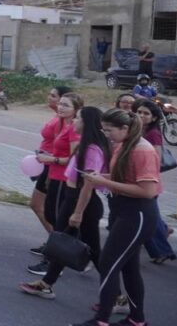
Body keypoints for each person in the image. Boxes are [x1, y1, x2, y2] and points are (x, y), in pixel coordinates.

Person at [71, 109, 161, 326]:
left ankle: (101, 319)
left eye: (110, 130)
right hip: (124, 210)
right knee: (128, 267)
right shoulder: (124, 145)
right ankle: (137, 320)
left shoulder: (142, 150)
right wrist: (99, 177)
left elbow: (148, 190)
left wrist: (105, 182)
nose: (107, 134)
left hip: (138, 213)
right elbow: (124, 177)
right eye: (104, 130)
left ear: (125, 129)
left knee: (108, 262)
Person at [20, 106, 110, 300]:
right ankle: (46, 284)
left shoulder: (92, 149)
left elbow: (88, 183)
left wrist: (77, 212)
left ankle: (116, 294)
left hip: (81, 201)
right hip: (73, 198)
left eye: (77, 118)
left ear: (87, 123)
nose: (73, 122)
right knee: (63, 242)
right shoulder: (84, 145)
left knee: (87, 248)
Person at [29, 92, 84, 276]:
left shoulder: (73, 129)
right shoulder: (63, 125)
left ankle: (53, 262)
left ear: (76, 110)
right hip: (54, 175)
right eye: (60, 104)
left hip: (64, 180)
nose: (60, 107)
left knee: (59, 221)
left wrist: (50, 159)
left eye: (66, 105)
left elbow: (73, 159)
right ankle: (65, 255)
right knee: (54, 218)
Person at [27, 86, 74, 255]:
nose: (50, 98)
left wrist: (51, 159)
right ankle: (55, 243)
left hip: (55, 168)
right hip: (48, 165)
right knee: (42, 207)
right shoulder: (58, 118)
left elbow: (68, 151)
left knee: (48, 209)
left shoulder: (67, 123)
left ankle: (61, 248)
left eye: (54, 96)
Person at [132, 99, 177, 264]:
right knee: (151, 218)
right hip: (140, 180)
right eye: (139, 112)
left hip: (148, 181)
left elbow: (156, 160)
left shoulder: (153, 134)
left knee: (150, 219)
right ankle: (162, 240)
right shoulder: (138, 130)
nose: (142, 116)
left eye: (146, 114)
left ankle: (161, 250)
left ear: (153, 118)